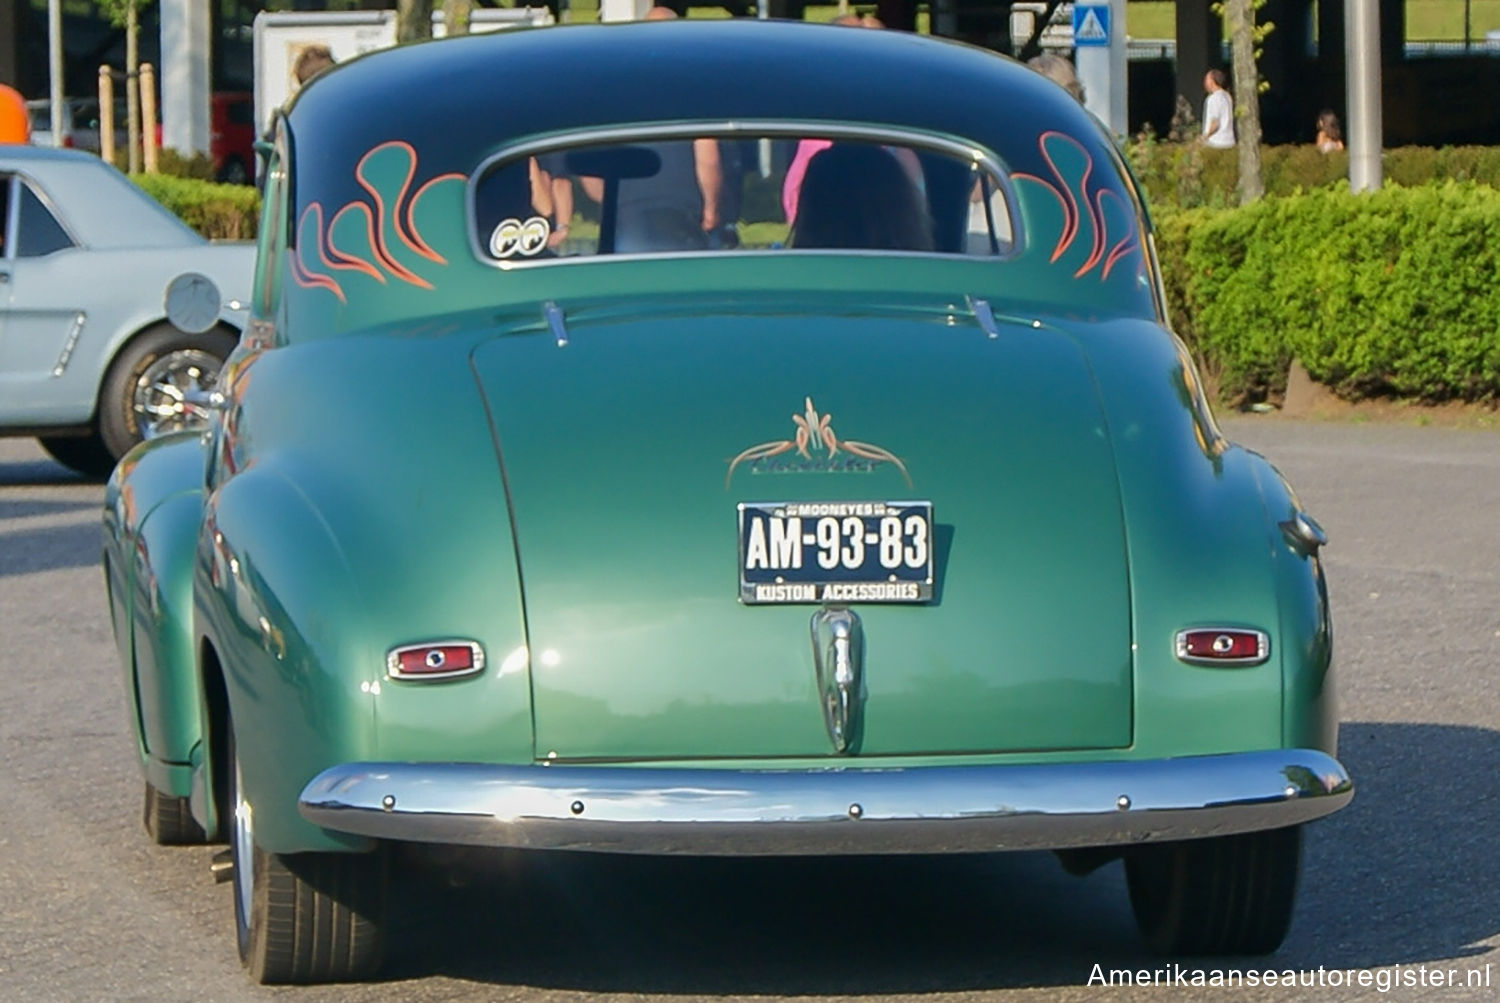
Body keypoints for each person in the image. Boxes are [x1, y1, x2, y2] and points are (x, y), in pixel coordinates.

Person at [1200, 68, 1235, 149]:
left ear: (1211, 81)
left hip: (1216, 142)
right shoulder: (1227, 96)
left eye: (1206, 80)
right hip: (1229, 140)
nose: (1204, 83)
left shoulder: (1213, 98)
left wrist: (1205, 137)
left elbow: (1215, 122)